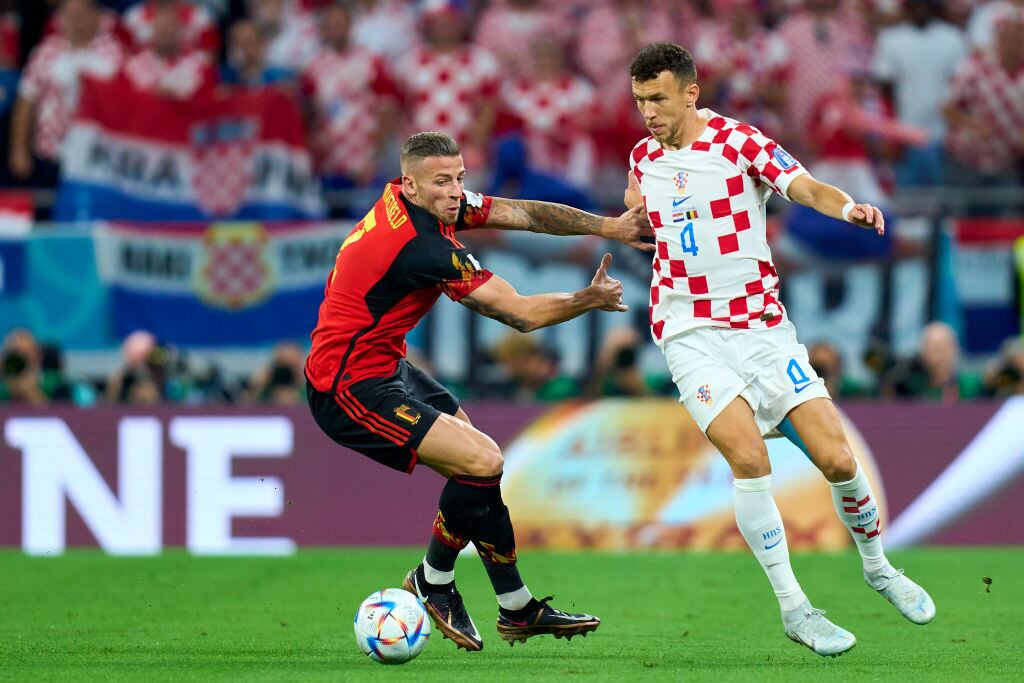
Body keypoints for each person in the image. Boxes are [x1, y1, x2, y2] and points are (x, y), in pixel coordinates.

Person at [623, 43, 934, 658]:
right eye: (639, 102)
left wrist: (849, 207)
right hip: (688, 330)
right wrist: (630, 227)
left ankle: (877, 568)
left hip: (763, 329)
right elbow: (638, 212)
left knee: (839, 460)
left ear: (691, 91)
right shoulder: (642, 156)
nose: (648, 113)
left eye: (658, 99)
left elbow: (805, 186)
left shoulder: (740, 141)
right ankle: (796, 608)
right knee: (749, 460)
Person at [305, 131, 651, 651]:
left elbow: (522, 214)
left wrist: (608, 226)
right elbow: (520, 314)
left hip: (384, 365)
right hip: (345, 385)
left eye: (460, 179)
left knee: (478, 467)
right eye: (442, 182)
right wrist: (589, 297)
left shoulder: (415, 202)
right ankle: (434, 579)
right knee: (482, 461)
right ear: (411, 186)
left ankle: (516, 607)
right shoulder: (422, 247)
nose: (455, 191)